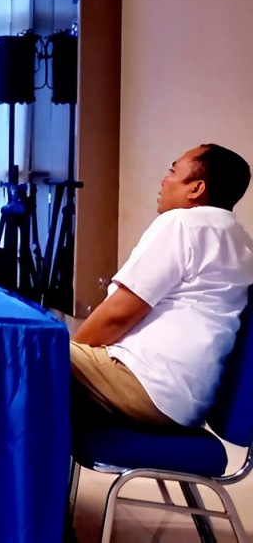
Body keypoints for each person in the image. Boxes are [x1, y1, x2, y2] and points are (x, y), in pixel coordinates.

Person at [70, 143, 253, 430]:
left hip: (144, 384)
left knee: (28, 354)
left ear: (196, 188)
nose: (163, 180)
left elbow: (117, 316)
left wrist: (68, 356)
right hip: (185, 405)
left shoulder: (182, 223)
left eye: (172, 171)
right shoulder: (241, 242)